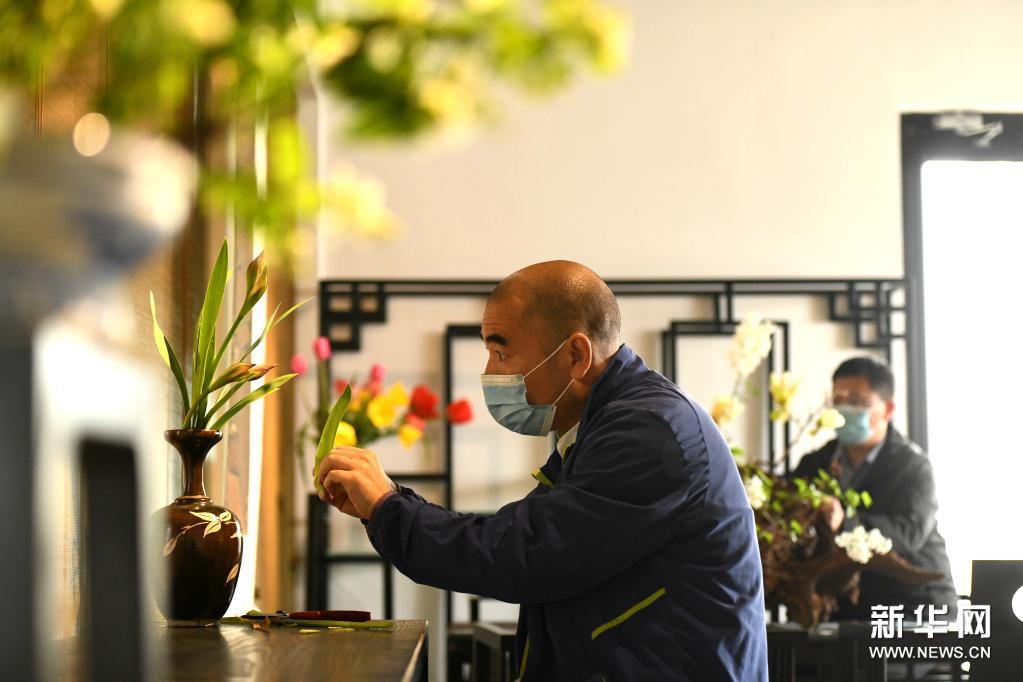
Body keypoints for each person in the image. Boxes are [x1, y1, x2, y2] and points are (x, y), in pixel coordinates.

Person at [318, 261, 768, 681]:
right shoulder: (603, 426)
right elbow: (518, 536)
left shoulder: (651, 433)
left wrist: (389, 508)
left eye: (501, 352)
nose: (489, 373)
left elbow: (525, 555)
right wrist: (387, 502)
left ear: (575, 354)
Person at [790, 356, 958, 621]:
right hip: (843, 607)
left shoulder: (913, 466)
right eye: (838, 401)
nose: (845, 410)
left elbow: (909, 532)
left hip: (914, 605)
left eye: (858, 402)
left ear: (888, 409)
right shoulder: (815, 464)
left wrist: (844, 522)